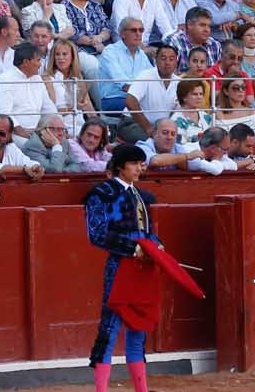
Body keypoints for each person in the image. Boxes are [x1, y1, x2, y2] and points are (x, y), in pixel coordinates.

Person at [85, 142, 158, 392]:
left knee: (139, 326)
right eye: (134, 163)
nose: (140, 168)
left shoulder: (141, 195)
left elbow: (147, 232)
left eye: (141, 163)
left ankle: (142, 389)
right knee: (111, 326)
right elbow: (97, 234)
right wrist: (133, 248)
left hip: (141, 269)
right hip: (119, 267)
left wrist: (156, 248)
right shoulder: (102, 193)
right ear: (119, 167)